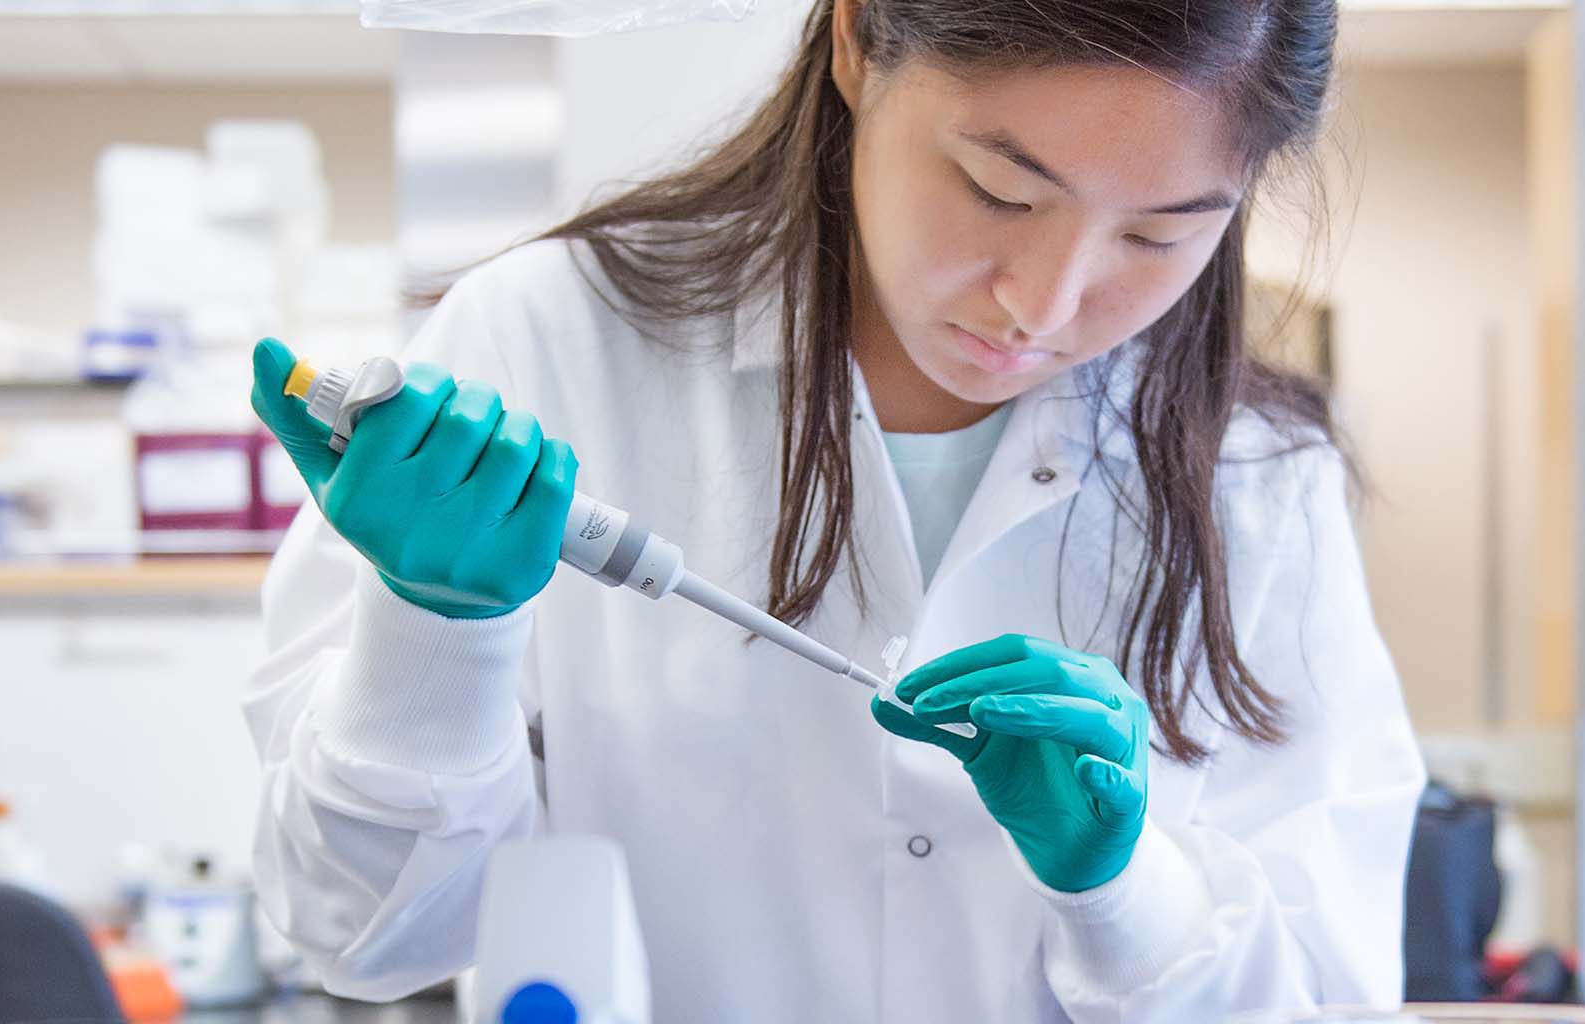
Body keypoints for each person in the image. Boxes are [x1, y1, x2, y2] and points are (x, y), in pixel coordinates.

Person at [240, 0, 1422, 1018]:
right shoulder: (547, 339)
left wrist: (1123, 885)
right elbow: (361, 934)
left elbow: (1331, 993)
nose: (1043, 303)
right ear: (858, 39)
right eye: (1001, 191)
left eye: (1159, 235)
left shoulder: (1260, 474)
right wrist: (432, 631)